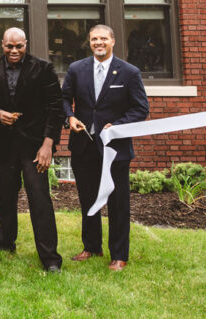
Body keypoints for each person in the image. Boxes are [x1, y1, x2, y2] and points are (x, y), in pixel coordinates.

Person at [62, 24, 149, 272]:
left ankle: (119, 255)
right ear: (89, 42)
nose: (98, 42)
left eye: (103, 38)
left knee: (118, 202)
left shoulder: (129, 72)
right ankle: (91, 246)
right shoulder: (76, 69)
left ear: (113, 41)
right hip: (83, 146)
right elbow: (64, 99)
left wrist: (117, 125)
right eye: (93, 39)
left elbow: (141, 108)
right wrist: (69, 117)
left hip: (115, 149)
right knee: (88, 198)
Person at [0, 27, 65, 272]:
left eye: (19, 46)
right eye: (9, 46)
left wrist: (48, 144)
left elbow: (55, 109)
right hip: (3, 147)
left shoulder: (44, 69)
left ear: (26, 44)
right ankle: (6, 244)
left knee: (40, 201)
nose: (14, 51)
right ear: (2, 45)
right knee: (5, 199)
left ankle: (50, 259)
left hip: (35, 147)